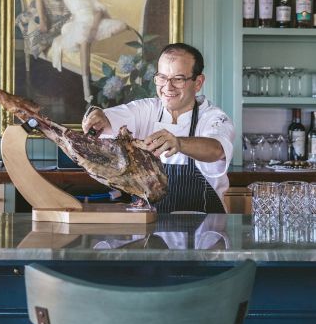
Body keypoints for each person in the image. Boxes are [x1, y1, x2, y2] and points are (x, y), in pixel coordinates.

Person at [82, 43, 234, 213]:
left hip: (204, 231)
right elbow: (106, 120)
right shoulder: (146, 109)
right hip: (148, 231)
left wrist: (179, 143)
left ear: (198, 83)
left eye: (178, 79)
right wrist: (96, 114)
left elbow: (216, 149)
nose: (167, 87)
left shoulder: (213, 117)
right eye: (162, 78)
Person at [36, 0, 127, 102]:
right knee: (84, 39)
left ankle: (95, 44)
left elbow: (98, 10)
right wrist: (42, 20)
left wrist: (94, 27)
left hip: (94, 22)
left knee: (121, 25)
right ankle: (86, 87)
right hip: (78, 22)